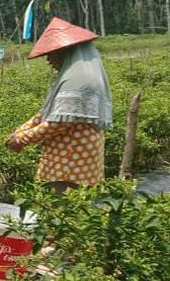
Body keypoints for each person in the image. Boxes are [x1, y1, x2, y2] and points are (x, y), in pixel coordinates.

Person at [6, 17, 113, 194]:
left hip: (72, 164)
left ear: (65, 51)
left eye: (50, 54)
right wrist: (19, 132)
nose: (48, 60)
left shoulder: (79, 80)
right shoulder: (72, 77)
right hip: (67, 161)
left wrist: (23, 139)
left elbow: (59, 123)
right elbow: (47, 114)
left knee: (65, 211)